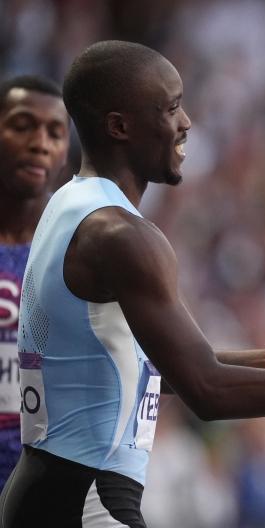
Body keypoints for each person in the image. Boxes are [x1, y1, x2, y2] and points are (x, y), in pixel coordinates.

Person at [0, 40, 265, 528]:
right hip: (85, 503)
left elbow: (158, 365)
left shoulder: (71, 205)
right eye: (173, 106)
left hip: (51, 493)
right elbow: (207, 390)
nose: (187, 122)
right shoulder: (122, 235)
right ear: (119, 126)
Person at [0, 75, 70, 489]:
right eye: (23, 125)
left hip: (43, 490)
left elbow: (156, 362)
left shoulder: (83, 251)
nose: (40, 143)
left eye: (55, 132)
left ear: (65, 153)